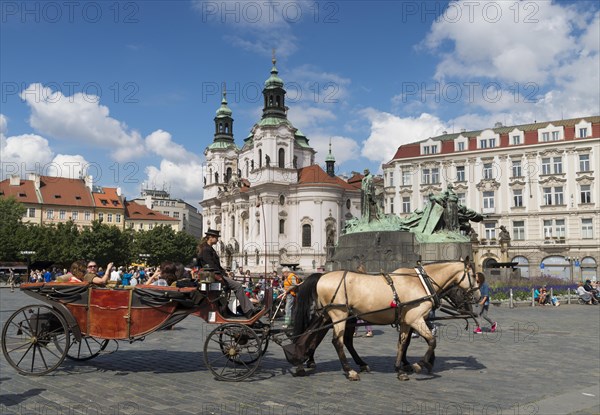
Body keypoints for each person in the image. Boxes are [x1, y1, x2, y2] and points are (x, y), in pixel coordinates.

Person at [198, 229, 261, 318]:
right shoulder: (206, 249)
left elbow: (215, 265)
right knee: (238, 286)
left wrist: (225, 272)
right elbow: (211, 265)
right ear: (210, 237)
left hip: (216, 275)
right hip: (214, 276)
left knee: (233, 286)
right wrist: (223, 274)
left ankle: (238, 309)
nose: (217, 239)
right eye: (216, 237)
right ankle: (248, 310)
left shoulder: (208, 248)